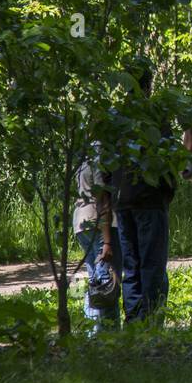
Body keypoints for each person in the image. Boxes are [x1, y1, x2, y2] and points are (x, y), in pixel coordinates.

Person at [111, 60, 174, 323]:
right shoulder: (155, 115)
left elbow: (107, 160)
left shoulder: (115, 117)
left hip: (122, 201)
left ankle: (134, 319)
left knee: (132, 265)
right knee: (152, 264)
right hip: (149, 200)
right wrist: (167, 193)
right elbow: (170, 158)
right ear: (148, 85)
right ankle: (152, 320)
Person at [73, 143, 121, 334]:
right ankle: (110, 332)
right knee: (107, 280)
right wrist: (108, 241)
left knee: (95, 279)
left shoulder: (83, 154)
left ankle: (92, 330)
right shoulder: (100, 156)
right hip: (97, 222)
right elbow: (102, 199)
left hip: (81, 222)